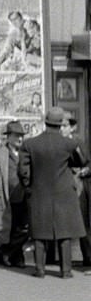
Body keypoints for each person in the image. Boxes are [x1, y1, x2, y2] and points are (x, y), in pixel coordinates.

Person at [18, 106, 87, 279]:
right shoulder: (69, 143)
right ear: (60, 124)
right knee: (65, 233)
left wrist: (29, 186)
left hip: (39, 192)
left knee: (39, 233)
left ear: (46, 122)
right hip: (65, 193)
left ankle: (40, 270)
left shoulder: (30, 144)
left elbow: (23, 171)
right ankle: (66, 271)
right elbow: (81, 161)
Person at [0, 120, 28, 266]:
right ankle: (17, 256)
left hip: (25, 197)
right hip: (6, 197)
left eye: (21, 135)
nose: (19, 139)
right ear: (8, 137)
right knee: (9, 227)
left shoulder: (26, 152)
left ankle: (5, 251)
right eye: (16, 136)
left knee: (24, 228)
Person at [61, 111, 91, 267]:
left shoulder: (78, 142)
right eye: (60, 126)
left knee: (83, 222)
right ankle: (61, 259)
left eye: (65, 126)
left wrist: (84, 171)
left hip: (78, 185)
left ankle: (88, 257)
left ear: (72, 128)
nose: (62, 129)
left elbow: (88, 162)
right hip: (61, 186)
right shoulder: (56, 142)